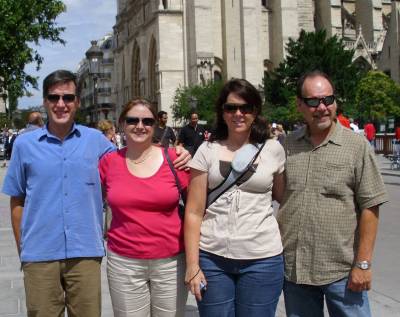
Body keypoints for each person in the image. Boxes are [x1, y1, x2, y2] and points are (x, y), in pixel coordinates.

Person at [1, 69, 192, 317]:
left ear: (78, 102)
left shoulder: (96, 141)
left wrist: (173, 153)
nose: (61, 104)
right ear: (45, 101)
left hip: (85, 253)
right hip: (40, 253)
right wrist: (23, 250)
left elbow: (135, 156)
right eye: (54, 98)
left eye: (68, 98)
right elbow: (17, 201)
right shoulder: (25, 145)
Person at [277, 70, 388, 317]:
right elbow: (277, 194)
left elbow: (371, 205)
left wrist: (363, 264)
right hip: (297, 271)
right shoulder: (287, 145)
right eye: (314, 101)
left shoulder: (356, 146)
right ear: (300, 105)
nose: (322, 107)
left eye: (328, 99)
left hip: (343, 271)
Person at [184, 78, 286, 316]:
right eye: (231, 108)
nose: (238, 114)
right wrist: (192, 265)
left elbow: (283, 197)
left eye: (245, 108)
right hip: (213, 257)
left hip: (262, 258)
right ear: (222, 112)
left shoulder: (273, 149)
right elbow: (193, 211)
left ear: (255, 111)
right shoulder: (207, 150)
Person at [99, 99, 189, 316]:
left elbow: (196, 208)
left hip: (171, 263)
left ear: (155, 125)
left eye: (147, 121)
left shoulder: (175, 159)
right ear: (122, 124)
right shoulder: (109, 162)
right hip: (124, 263)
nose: (140, 126)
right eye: (133, 120)